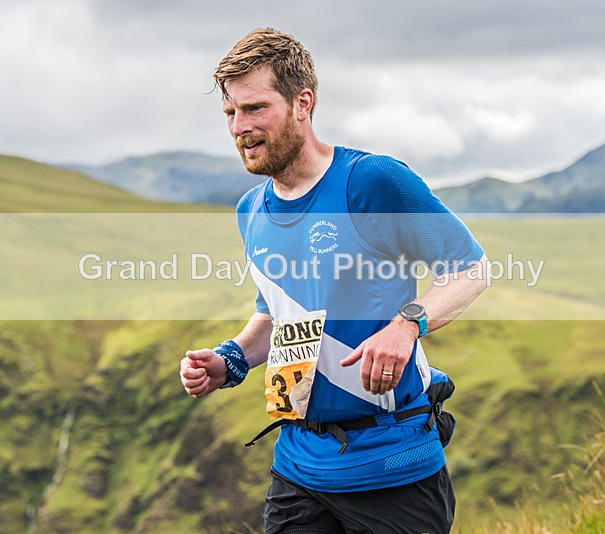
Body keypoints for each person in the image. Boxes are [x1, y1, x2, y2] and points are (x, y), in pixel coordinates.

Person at [181, 27, 488, 534]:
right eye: (230, 112)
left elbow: (472, 270)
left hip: (391, 465)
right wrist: (229, 359)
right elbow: (278, 312)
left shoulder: (372, 182)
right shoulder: (250, 210)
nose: (239, 127)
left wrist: (406, 325)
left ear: (302, 103)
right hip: (297, 468)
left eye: (255, 108)